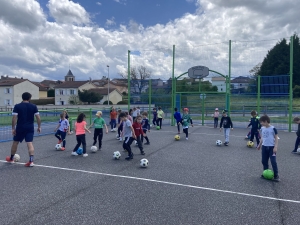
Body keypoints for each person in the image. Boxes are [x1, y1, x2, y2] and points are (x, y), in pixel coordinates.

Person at [6, 92, 41, 167]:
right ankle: (31, 161)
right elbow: (38, 117)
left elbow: (14, 118)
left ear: (22, 98)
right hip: (30, 127)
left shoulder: (17, 106)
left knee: (15, 142)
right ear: (29, 98)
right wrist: (39, 126)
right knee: (29, 143)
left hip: (20, 127)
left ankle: (11, 159)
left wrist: (13, 128)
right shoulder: (33, 106)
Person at [257, 115, 280, 182]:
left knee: (273, 161)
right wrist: (259, 145)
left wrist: (275, 147)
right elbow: (262, 137)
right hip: (264, 147)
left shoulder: (273, 129)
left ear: (266, 121)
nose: (261, 123)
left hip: (272, 147)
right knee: (264, 161)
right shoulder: (262, 128)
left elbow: (276, 138)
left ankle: (276, 175)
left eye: (262, 122)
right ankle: (265, 173)